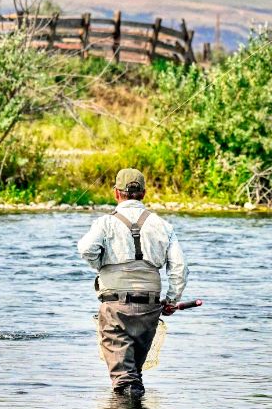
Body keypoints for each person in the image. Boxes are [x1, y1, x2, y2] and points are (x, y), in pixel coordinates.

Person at [77, 168, 188, 396]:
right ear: (144, 193)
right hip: (150, 307)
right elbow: (179, 268)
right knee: (133, 374)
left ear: (116, 193)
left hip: (115, 306)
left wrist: (102, 267)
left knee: (125, 380)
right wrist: (171, 300)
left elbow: (86, 249)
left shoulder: (105, 223)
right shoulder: (163, 226)